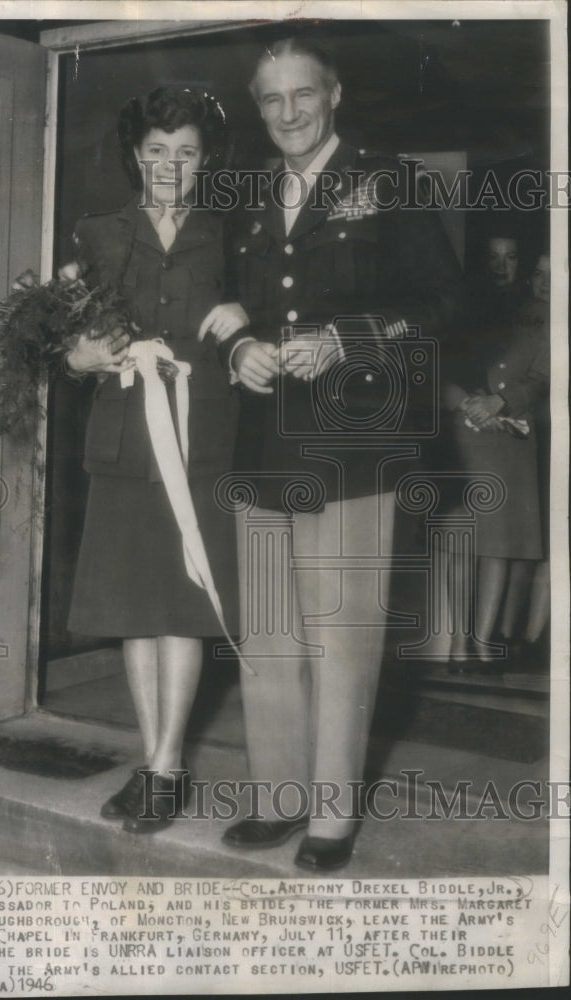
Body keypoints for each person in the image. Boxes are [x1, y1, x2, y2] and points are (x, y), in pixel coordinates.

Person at [210, 38, 462, 870]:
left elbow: (438, 305)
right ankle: (276, 798)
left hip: (355, 440)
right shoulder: (246, 192)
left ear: (334, 93)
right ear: (257, 104)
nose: (288, 113)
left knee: (341, 638)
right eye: (271, 99)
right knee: (270, 636)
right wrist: (238, 346)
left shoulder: (391, 181)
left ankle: (329, 813)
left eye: (302, 95)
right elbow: (230, 302)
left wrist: (346, 339)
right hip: (261, 441)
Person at [64, 86, 247, 834]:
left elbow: (253, 324)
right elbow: (61, 339)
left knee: (182, 608)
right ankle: (154, 760)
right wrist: (77, 357)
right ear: (136, 158)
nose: (171, 165)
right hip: (123, 441)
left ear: (205, 161)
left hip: (200, 442)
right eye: (157, 151)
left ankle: (167, 767)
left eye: (187, 152)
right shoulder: (97, 234)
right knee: (135, 614)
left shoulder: (231, 235)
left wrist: (246, 323)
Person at [440, 233, 550, 670]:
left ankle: (483, 641)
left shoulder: (542, 315)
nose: (502, 266)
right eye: (493, 256)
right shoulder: (459, 307)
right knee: (460, 541)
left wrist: (502, 402)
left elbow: (544, 375)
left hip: (512, 436)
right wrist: (464, 402)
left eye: (511, 257)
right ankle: (458, 642)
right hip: (465, 431)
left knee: (500, 545)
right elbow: (437, 361)